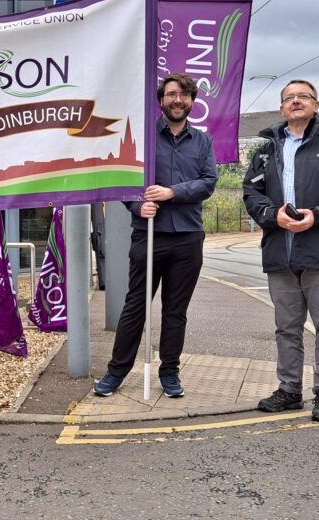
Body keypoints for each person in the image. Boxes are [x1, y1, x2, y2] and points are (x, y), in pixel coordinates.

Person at [244, 79, 319, 422]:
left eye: (303, 97)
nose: (296, 102)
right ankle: (289, 390)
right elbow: (251, 194)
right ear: (282, 108)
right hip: (281, 252)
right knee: (286, 328)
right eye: (289, 98)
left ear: (316, 105)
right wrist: (272, 216)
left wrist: (318, 216)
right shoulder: (267, 149)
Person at [94, 73, 218, 398]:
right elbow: (124, 180)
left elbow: (208, 182)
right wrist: (138, 208)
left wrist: (171, 192)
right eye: (172, 95)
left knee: (175, 310)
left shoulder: (203, 141)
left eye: (184, 95)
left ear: (192, 101)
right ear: (161, 100)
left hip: (188, 237)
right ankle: (115, 372)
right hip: (149, 235)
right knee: (135, 305)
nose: (178, 100)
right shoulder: (145, 137)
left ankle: (170, 373)